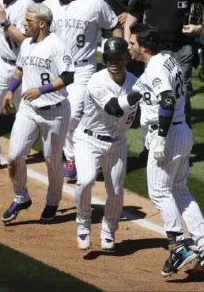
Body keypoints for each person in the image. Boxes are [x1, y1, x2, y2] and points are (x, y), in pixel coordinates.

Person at [125, 22, 204, 276]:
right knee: (179, 189)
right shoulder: (166, 60)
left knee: (160, 192)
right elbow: (137, 93)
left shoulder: (154, 69)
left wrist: (161, 138)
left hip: (167, 133)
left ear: (144, 46)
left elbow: (166, 99)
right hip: (182, 131)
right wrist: (112, 104)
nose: (129, 47)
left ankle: (178, 247)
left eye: (132, 43)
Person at [1, 3, 74, 224]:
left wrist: (40, 90)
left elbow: (68, 77)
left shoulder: (57, 46)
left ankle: (52, 202)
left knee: (52, 160)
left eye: (29, 21)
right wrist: (10, 90)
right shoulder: (26, 44)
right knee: (14, 156)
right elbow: (20, 69)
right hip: (28, 109)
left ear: (41, 24)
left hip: (56, 112)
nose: (24, 24)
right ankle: (20, 197)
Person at [43, 0, 123, 182]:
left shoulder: (94, 4)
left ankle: (76, 159)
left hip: (82, 68)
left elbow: (114, 25)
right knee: (58, 115)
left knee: (72, 114)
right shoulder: (47, 5)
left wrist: (117, 51)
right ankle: (73, 156)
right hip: (55, 69)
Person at [74, 37, 138, 250]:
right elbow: (114, 108)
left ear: (127, 58)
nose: (113, 62)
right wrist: (142, 91)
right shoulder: (96, 81)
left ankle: (109, 230)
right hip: (88, 139)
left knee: (116, 192)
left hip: (117, 143)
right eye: (108, 57)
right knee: (86, 179)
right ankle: (83, 223)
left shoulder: (134, 81)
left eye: (118, 58)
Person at [124, 0, 204, 132]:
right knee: (153, 90)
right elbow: (132, 16)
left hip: (182, 47)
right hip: (153, 49)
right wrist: (127, 43)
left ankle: (183, 132)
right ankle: (153, 137)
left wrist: (199, 27)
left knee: (182, 90)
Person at [0, 0, 34, 170]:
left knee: (24, 111)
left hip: (22, 65)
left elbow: (26, 41)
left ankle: (20, 152)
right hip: (1, 61)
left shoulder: (26, 5)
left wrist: (4, 21)